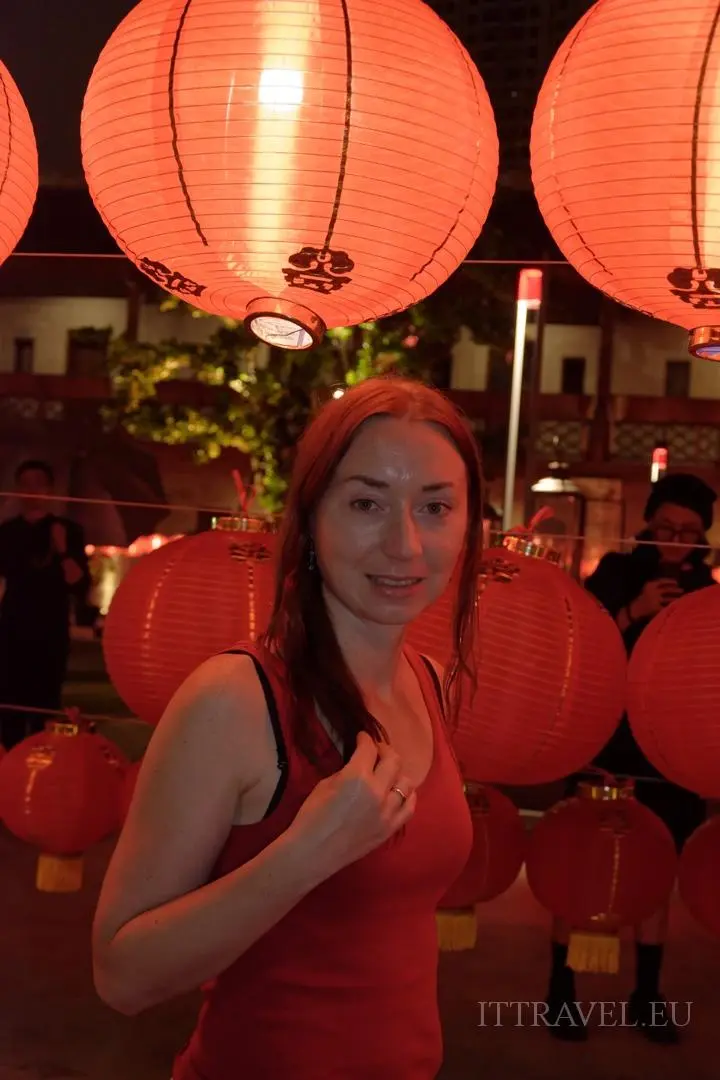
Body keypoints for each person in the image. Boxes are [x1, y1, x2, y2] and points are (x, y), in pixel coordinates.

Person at [91, 376, 485, 1080]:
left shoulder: (427, 680)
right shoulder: (236, 699)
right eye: (367, 503)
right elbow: (122, 976)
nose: (405, 543)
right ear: (310, 520)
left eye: (435, 507)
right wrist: (305, 854)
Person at [546, 472, 716, 1043]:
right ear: (648, 524)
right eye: (665, 527)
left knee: (656, 866)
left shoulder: (707, 594)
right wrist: (632, 613)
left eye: (688, 532)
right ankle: (561, 990)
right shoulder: (617, 573)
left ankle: (647, 994)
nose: (675, 539)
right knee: (581, 860)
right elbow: (581, 654)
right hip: (606, 742)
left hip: (668, 750)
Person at [0, 460, 90, 748]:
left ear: (50, 489)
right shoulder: (7, 532)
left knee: (46, 703)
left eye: (38, 484)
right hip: (12, 628)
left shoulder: (68, 530)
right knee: (9, 705)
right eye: (25, 484)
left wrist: (62, 549)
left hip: (50, 629)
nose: (32, 491)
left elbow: (78, 583)